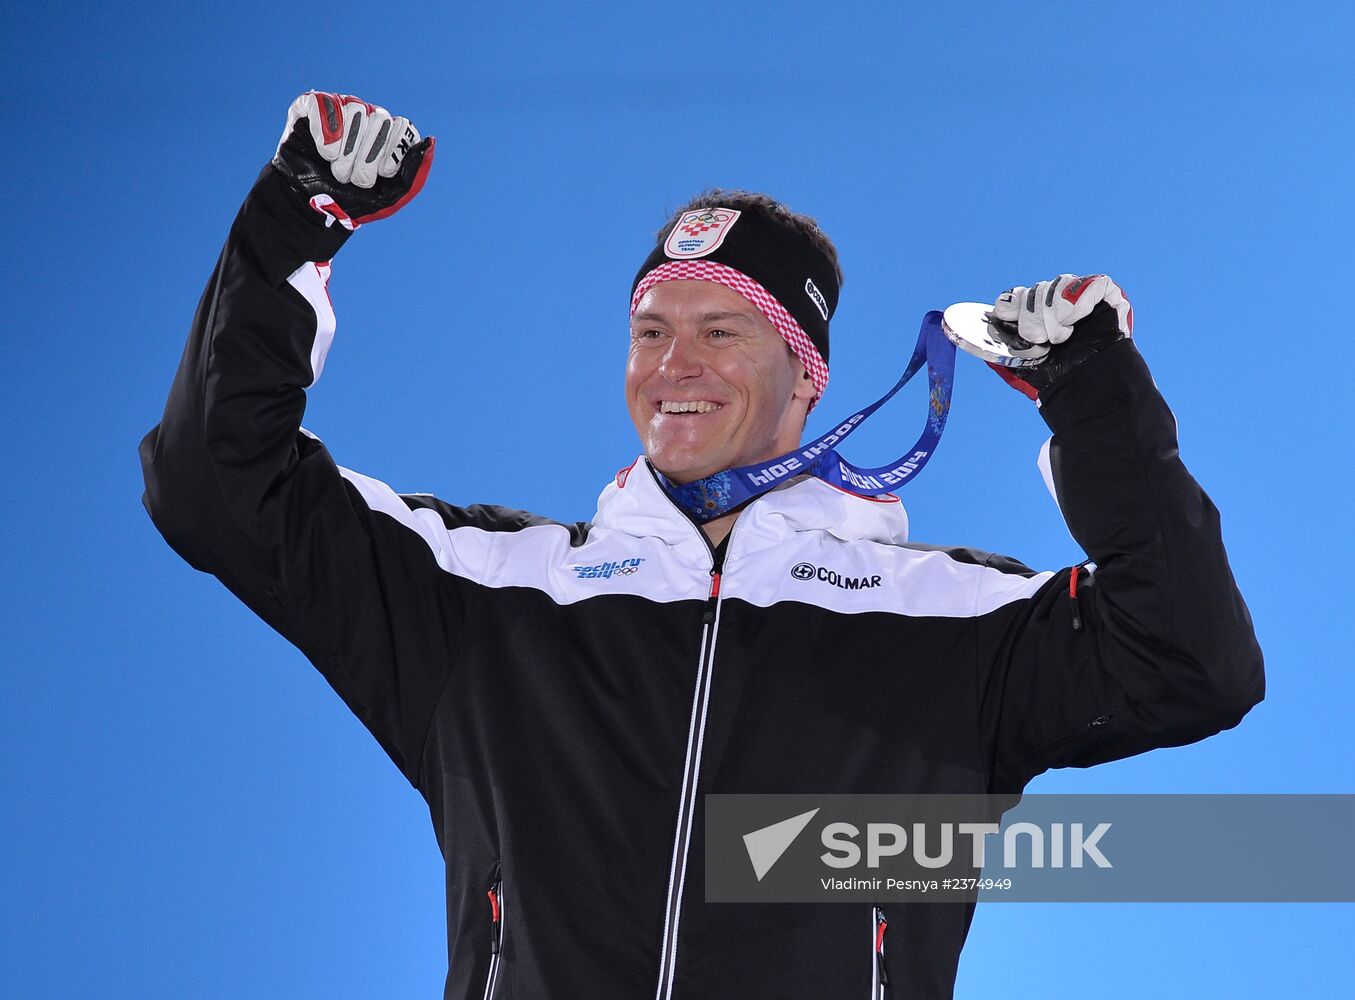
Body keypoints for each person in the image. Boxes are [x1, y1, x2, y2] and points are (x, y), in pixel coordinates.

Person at [139, 92, 1264, 999]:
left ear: (805, 372)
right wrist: (300, 213)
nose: (671, 364)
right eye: (649, 331)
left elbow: (1190, 662)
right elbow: (214, 486)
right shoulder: (486, 593)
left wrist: (1091, 393)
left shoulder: (944, 621)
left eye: (720, 330)